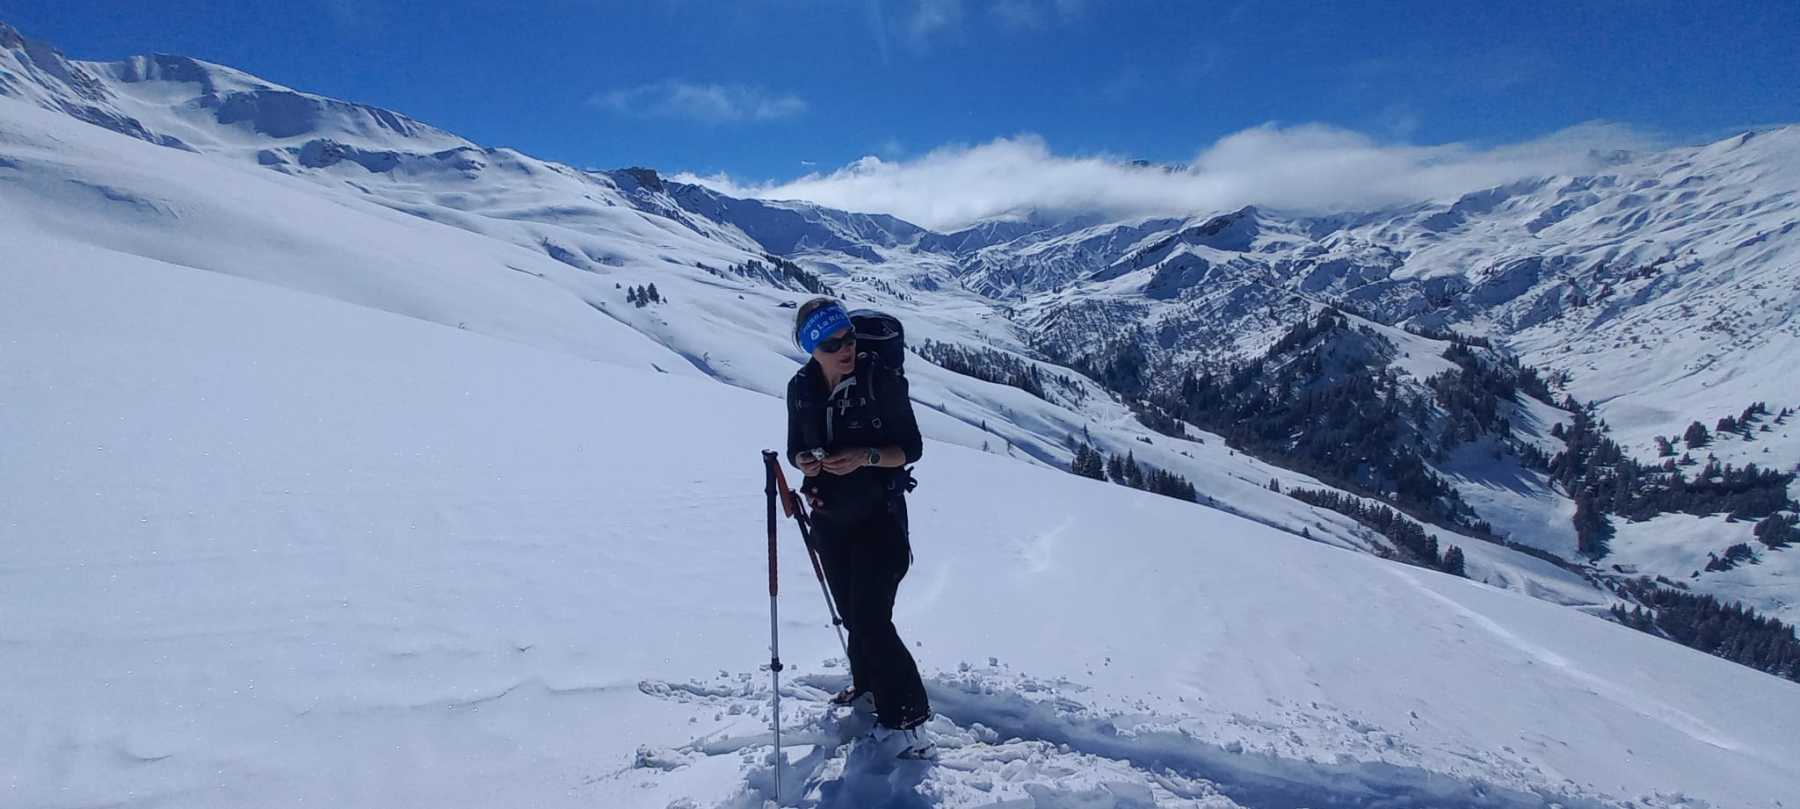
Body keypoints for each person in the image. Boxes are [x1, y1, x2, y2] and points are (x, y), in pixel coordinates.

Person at [785, 297, 932, 754]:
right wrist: (804, 462)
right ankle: (868, 685)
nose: (845, 349)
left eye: (848, 338)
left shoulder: (878, 379)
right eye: (831, 344)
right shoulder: (801, 388)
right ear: (811, 348)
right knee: (853, 614)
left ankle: (907, 721)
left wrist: (865, 457)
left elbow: (911, 448)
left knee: (870, 618)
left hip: (879, 519)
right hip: (829, 520)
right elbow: (793, 448)